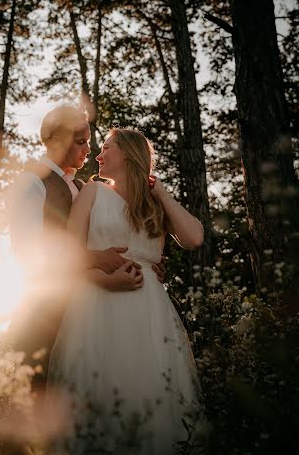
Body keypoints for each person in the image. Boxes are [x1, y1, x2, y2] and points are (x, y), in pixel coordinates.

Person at [47, 128, 207, 454]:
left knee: (152, 399)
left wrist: (161, 193)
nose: (98, 154)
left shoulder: (154, 204)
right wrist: (101, 279)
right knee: (101, 396)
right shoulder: (92, 192)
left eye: (106, 147)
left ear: (129, 154)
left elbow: (193, 238)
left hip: (150, 312)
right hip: (98, 303)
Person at [8, 107, 164, 378]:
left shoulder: (85, 189)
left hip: (95, 315)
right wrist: (93, 258)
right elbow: (28, 254)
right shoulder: (31, 183)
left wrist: (144, 264)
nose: (89, 149)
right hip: (45, 317)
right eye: (81, 141)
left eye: (90, 141)